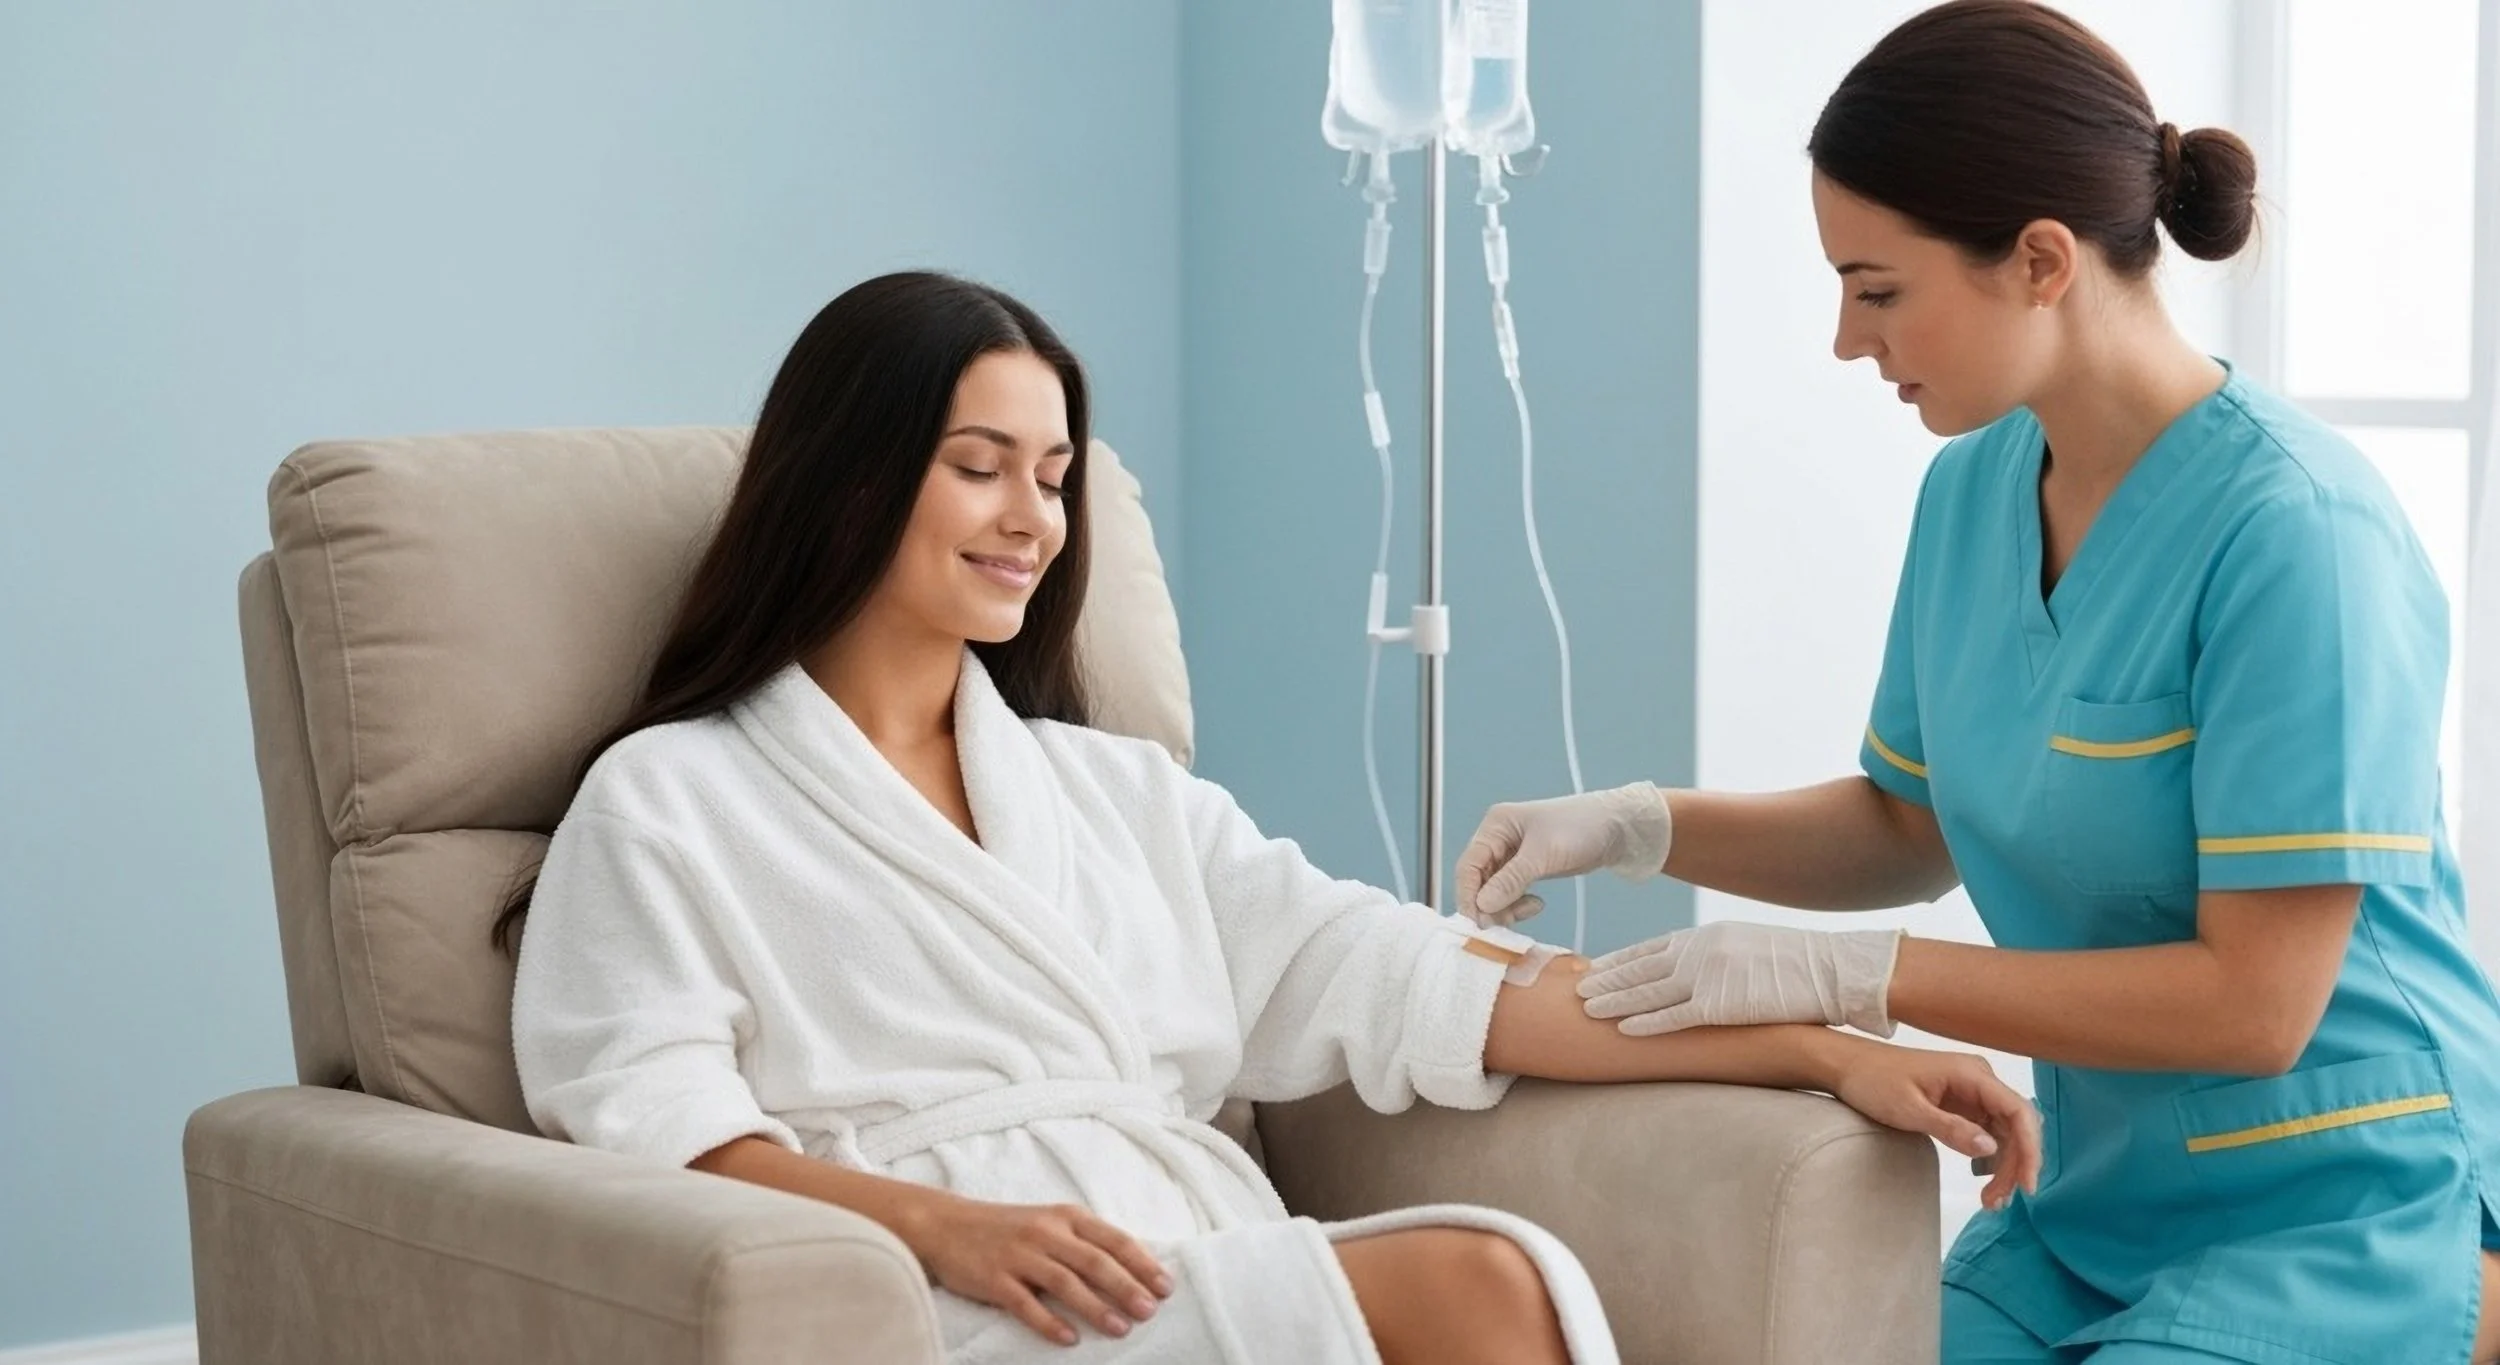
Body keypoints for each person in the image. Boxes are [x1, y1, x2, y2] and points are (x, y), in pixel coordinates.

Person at [500, 270, 2038, 1365]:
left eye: (1051, 476)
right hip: (919, 1295)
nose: (1035, 517)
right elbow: (659, 1130)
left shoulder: (1111, 793)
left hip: (1171, 1258)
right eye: (980, 470)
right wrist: (933, 1229)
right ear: (844, 484)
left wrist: (1828, 1049)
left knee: (1494, 1275)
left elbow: (1442, 984)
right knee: (1483, 1283)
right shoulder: (673, 801)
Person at [1457, 5, 2500, 1362]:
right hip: (2098, 1204)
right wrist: (1639, 824)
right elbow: (1911, 823)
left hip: (2346, 1204)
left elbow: (2258, 1006)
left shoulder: (2299, 533)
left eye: (1877, 289)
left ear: (2040, 260)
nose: (1845, 340)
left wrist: (1859, 975)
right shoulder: (1973, 492)